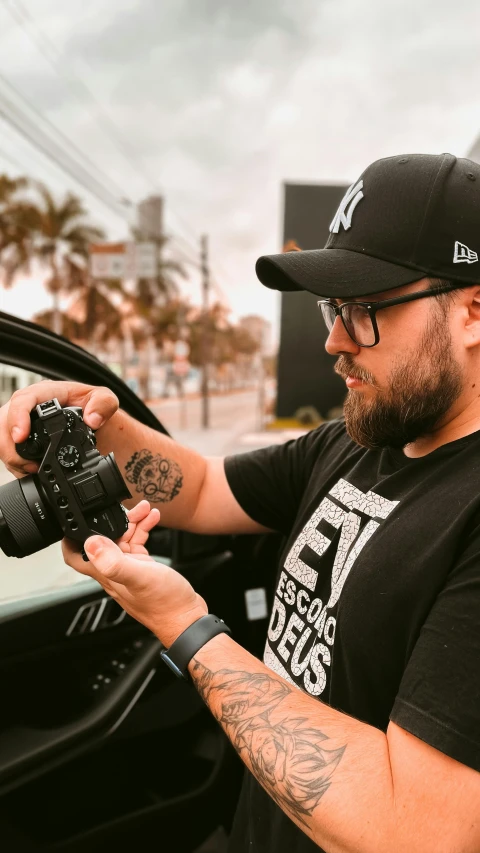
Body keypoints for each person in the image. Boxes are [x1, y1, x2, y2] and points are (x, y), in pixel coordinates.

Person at [1, 151, 480, 853]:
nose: (333, 341)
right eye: (332, 307)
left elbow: (417, 829)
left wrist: (185, 624)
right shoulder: (356, 439)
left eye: (366, 310)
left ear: (473, 312)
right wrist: (99, 423)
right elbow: (200, 487)